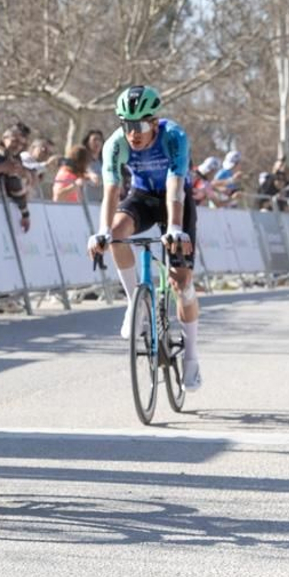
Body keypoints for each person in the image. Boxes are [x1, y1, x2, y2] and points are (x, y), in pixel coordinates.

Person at [86, 84, 203, 392]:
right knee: (116, 235)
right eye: (126, 125)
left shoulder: (173, 136)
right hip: (142, 197)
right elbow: (111, 191)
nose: (132, 133)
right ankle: (133, 303)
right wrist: (102, 230)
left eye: (138, 125)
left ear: (153, 122)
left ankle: (191, 357)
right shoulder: (115, 144)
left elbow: (176, 187)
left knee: (181, 282)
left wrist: (175, 228)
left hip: (174, 199)